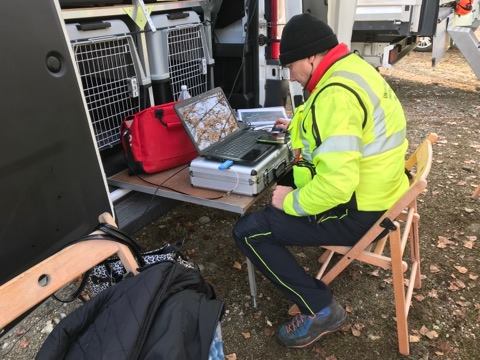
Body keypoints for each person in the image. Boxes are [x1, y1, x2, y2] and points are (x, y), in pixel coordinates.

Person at [232, 13, 409, 348]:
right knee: (282, 185)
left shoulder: (334, 96)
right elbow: (328, 124)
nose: (291, 76)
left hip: (359, 209)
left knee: (249, 232)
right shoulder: (351, 70)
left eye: (290, 66)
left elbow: (336, 185)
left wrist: (291, 201)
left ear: (311, 57)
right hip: (384, 191)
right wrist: (295, 125)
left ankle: (321, 309)